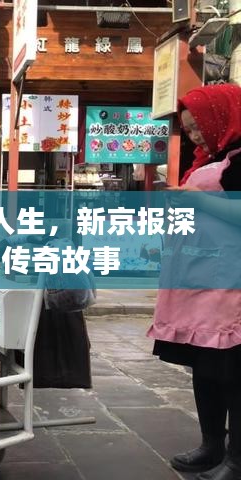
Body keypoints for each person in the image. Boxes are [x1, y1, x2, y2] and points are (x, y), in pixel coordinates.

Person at [147, 83, 241, 480]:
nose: (194, 136)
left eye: (198, 126)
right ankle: (211, 445)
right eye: (188, 130)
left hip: (229, 288)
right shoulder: (211, 159)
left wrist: (195, 199)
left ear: (221, 117)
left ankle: (236, 460)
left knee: (233, 375)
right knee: (206, 370)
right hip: (200, 282)